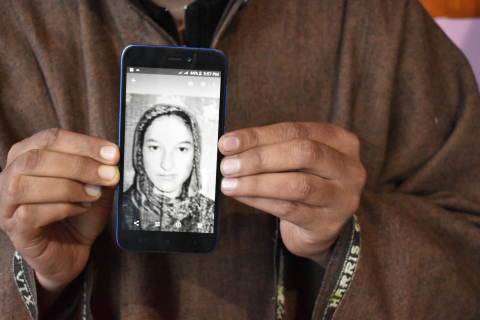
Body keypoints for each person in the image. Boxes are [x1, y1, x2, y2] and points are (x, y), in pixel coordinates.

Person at [0, 0, 479, 319]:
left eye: (184, 149)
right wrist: (38, 271)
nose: (168, 164)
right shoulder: (15, 24)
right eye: (154, 148)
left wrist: (345, 237)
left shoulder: (377, 18)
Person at [122, 104, 214, 232]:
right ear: (139, 152)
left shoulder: (210, 212)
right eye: (155, 148)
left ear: (195, 155)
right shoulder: (118, 209)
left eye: (181, 149)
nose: (166, 165)